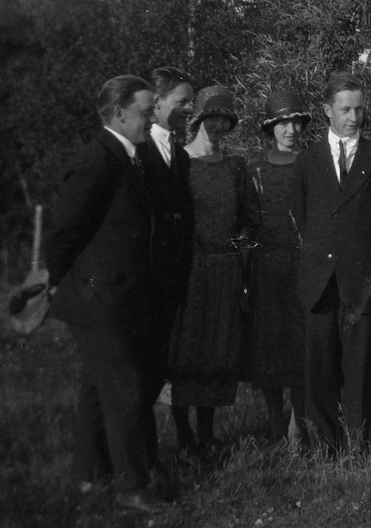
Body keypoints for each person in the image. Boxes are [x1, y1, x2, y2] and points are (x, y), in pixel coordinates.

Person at [45, 75, 167, 514]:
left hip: (120, 296)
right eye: (147, 111)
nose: (153, 118)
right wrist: (60, 282)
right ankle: (132, 489)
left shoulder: (131, 156)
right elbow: (63, 231)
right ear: (119, 113)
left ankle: (87, 475)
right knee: (126, 391)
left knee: (99, 388)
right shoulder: (97, 160)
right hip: (99, 300)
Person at [288, 72, 371, 452]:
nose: (354, 117)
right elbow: (304, 216)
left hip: (361, 282)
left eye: (359, 109)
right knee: (319, 369)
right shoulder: (307, 160)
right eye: (345, 109)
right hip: (319, 280)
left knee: (358, 369)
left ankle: (357, 446)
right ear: (327, 110)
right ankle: (323, 445)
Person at [167, 85, 256, 454]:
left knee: (217, 350)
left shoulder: (235, 166)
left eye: (225, 119)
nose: (219, 125)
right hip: (189, 270)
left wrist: (239, 261)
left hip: (225, 270)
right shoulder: (179, 162)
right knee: (185, 351)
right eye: (212, 117)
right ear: (199, 119)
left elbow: (244, 222)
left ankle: (206, 433)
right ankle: (183, 435)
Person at [243, 89, 311, 446]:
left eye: (296, 122)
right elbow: (246, 226)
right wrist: (247, 269)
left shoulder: (310, 164)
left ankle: (297, 428)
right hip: (265, 268)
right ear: (270, 128)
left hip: (302, 265)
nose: (290, 130)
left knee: (300, 348)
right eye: (282, 123)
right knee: (268, 348)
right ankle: (274, 424)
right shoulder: (253, 169)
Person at [137, 66, 196, 465]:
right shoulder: (137, 152)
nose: (189, 109)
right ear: (156, 102)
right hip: (143, 281)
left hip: (171, 282)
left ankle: (149, 456)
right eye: (182, 102)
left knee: (160, 369)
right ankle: (138, 459)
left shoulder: (180, 155)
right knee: (138, 375)